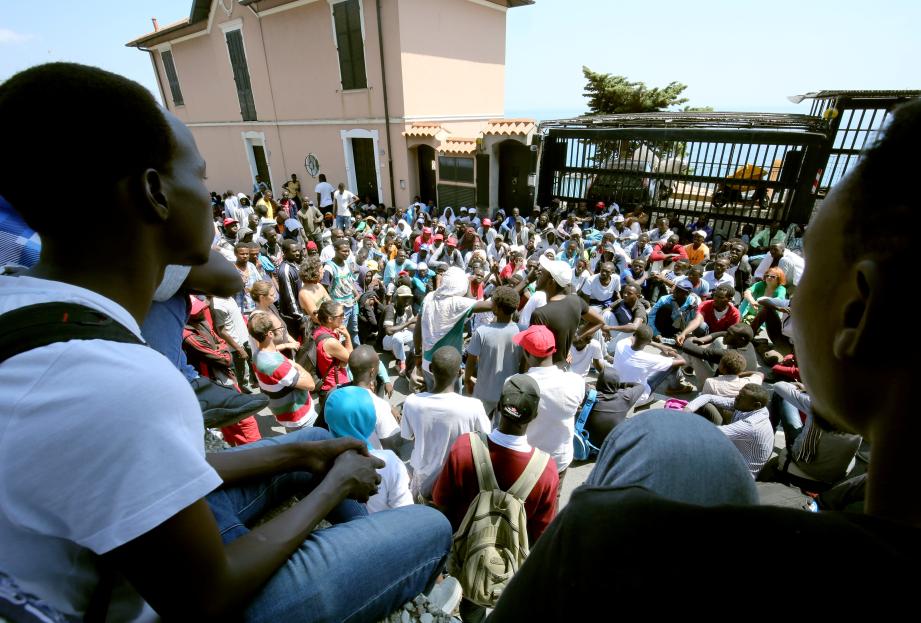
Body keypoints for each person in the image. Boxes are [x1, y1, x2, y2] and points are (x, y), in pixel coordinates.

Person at [0, 63, 451, 622]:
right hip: (160, 603)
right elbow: (204, 599)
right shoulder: (121, 383)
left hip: (113, 551)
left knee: (308, 443)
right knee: (430, 527)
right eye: (200, 174)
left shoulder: (18, 298)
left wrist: (301, 451)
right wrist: (331, 492)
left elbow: (173, 470)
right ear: (154, 193)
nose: (213, 196)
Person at [489, 99, 921, 619]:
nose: (779, 305)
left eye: (803, 279)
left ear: (859, 312)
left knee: (667, 434)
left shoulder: (607, 542)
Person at [432, 374, 559, 623]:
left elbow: (441, 503)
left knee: (469, 604)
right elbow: (540, 534)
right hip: (507, 566)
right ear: (534, 417)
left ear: (499, 406)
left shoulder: (465, 447)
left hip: (464, 554)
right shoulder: (546, 469)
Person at [401, 346, 492, 499]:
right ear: (460, 372)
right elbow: (486, 439)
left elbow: (408, 435)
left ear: (430, 368)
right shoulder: (474, 406)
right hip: (457, 477)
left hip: (423, 475)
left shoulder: (412, 402)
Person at [324, 386, 413, 514]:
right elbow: (406, 511)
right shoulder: (387, 462)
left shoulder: (321, 457)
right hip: (385, 525)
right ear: (368, 418)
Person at [517, 325, 586, 475]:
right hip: (559, 461)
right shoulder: (576, 381)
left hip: (526, 461)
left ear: (527, 354)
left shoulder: (515, 383)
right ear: (553, 350)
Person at [413, 266, 493, 391]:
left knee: (431, 396)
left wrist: (418, 355)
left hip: (427, 362)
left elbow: (417, 331)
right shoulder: (458, 304)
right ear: (461, 285)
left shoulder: (430, 297)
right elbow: (493, 305)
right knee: (451, 402)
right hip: (450, 366)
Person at [682, 383, 772, 477]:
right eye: (739, 394)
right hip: (733, 452)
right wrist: (687, 410)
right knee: (706, 405)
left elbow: (708, 433)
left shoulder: (751, 425)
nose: (736, 398)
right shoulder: (750, 407)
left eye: (741, 397)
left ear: (756, 405)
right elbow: (708, 397)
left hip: (739, 474)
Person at [530, 256, 604, 365]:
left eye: (542, 274)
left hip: (545, 372)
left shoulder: (539, 314)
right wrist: (577, 337)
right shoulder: (576, 301)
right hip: (563, 367)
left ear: (551, 282)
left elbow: (533, 355)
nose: (538, 276)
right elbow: (600, 321)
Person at [248, 312, 317, 429]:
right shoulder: (276, 365)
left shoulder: (257, 355)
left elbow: (272, 350)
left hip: (285, 417)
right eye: (280, 327)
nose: (283, 330)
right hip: (301, 418)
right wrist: (297, 366)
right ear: (270, 334)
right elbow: (311, 385)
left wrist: (285, 345)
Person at [464, 286, 522, 416]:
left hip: (483, 392)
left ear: (496, 308)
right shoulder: (522, 331)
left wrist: (467, 379)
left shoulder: (482, 331)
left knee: (479, 430)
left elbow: (471, 360)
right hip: (509, 393)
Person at [612, 324, 693, 399]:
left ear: (634, 334)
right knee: (672, 365)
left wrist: (660, 346)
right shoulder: (649, 358)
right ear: (648, 341)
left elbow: (635, 338)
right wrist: (673, 353)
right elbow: (682, 361)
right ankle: (675, 388)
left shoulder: (621, 344)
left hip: (618, 390)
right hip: (638, 398)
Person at [348, 346, 402, 451]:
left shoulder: (333, 393)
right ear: (372, 372)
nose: (380, 366)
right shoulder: (380, 407)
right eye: (378, 365)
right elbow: (390, 446)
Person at [583, 368, 643, 445]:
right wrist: (619, 385)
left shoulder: (589, 395)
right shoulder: (625, 397)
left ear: (598, 382)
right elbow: (640, 386)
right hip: (611, 446)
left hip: (588, 442)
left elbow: (577, 382)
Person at [312, 299, 353, 405]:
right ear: (330, 319)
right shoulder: (330, 342)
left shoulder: (318, 331)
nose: (344, 317)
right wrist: (348, 337)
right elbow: (351, 358)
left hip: (326, 382)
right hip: (336, 385)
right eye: (341, 315)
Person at [322, 238, 361, 344]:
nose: (347, 253)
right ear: (335, 250)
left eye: (348, 251)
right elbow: (324, 289)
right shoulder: (329, 267)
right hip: (340, 308)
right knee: (341, 334)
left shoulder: (347, 263)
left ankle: (357, 354)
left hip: (352, 304)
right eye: (344, 251)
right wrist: (334, 308)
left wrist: (356, 294)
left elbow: (349, 280)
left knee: (354, 331)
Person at [674, 284, 740, 346]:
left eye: (720, 297)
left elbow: (728, 334)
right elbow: (697, 320)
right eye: (715, 295)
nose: (716, 299)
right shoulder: (706, 305)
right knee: (701, 326)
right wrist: (684, 333)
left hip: (720, 339)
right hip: (703, 336)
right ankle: (696, 343)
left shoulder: (734, 314)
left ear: (729, 299)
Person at [382, 285, 416, 375]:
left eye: (408, 298)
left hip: (401, 334)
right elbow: (388, 331)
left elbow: (411, 325)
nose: (407, 300)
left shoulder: (407, 307)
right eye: (404, 298)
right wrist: (409, 323)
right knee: (398, 337)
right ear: (397, 298)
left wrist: (419, 326)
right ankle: (401, 362)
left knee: (418, 334)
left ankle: (414, 358)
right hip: (386, 340)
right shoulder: (391, 308)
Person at [277, 239, 306, 339]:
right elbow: (290, 297)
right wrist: (300, 316)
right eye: (294, 251)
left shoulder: (295, 265)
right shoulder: (285, 270)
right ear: (285, 252)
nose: (298, 253)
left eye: (298, 250)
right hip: (293, 317)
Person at [297, 255, 330, 325]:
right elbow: (316, 318)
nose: (324, 270)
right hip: (319, 328)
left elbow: (331, 304)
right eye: (321, 269)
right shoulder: (304, 294)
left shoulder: (319, 285)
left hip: (329, 323)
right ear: (314, 272)